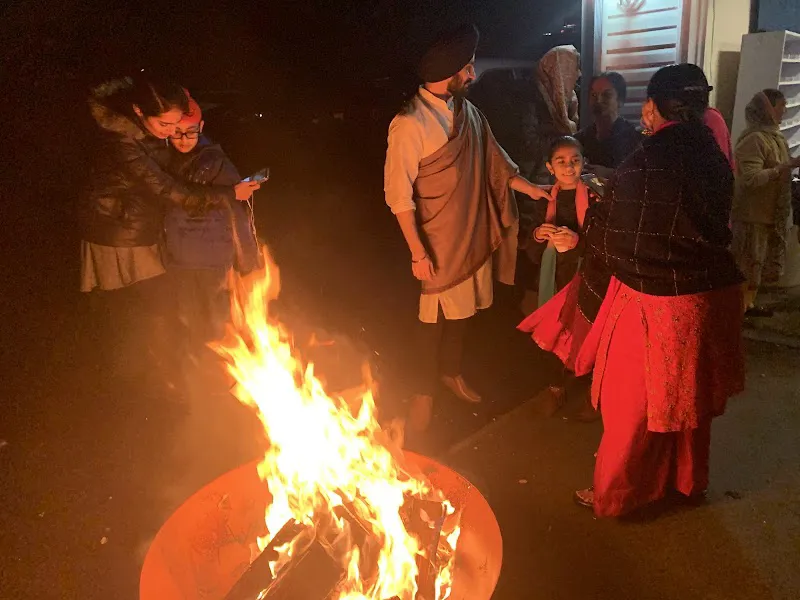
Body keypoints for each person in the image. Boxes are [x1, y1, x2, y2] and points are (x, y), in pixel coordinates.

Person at [568, 64, 746, 517]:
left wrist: (593, 222)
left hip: (652, 301)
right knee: (689, 399)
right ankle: (686, 482)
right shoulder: (712, 153)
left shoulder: (646, 161)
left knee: (630, 404)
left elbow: (619, 239)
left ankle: (617, 493)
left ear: (652, 106)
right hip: (705, 297)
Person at [383, 24, 551, 430]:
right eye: (468, 67)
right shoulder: (409, 123)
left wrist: (531, 189)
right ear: (449, 70)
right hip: (437, 241)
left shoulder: (469, 113)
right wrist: (417, 252)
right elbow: (398, 196)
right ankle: (422, 391)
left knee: (461, 313)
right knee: (432, 320)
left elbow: (497, 162)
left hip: (471, 232)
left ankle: (450, 373)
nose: (473, 74)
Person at [80, 74, 260, 388]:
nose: (172, 133)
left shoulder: (149, 133)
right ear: (139, 111)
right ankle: (142, 383)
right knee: (148, 311)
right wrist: (230, 193)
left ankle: (159, 379)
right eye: (166, 126)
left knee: (160, 311)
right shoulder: (123, 141)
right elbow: (168, 190)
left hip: (147, 234)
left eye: (178, 125)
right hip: (123, 235)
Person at [163, 93, 259, 363]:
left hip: (214, 260)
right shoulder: (163, 161)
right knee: (188, 319)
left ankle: (224, 370)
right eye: (177, 132)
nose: (183, 139)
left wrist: (247, 258)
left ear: (201, 128)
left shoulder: (216, 163)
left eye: (190, 132)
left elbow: (237, 211)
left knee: (219, 322)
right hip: (179, 260)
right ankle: (195, 368)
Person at [518, 136, 602, 421]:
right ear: (549, 167)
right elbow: (530, 245)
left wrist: (578, 242)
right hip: (555, 277)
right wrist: (538, 235)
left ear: (584, 163)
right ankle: (556, 387)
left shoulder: (595, 197)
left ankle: (593, 392)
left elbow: (606, 242)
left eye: (575, 160)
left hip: (587, 277)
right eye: (561, 161)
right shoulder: (545, 200)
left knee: (588, 332)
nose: (569, 167)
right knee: (555, 331)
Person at [731, 89, 800, 316]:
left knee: (757, 266)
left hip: (767, 214)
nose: (784, 111)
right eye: (781, 106)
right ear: (768, 110)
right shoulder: (754, 140)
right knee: (747, 265)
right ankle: (737, 310)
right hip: (752, 216)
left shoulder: (774, 137)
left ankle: (748, 305)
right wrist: (785, 167)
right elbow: (750, 179)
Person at [575, 72, 641, 179]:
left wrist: (610, 174)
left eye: (607, 95)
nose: (598, 100)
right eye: (594, 95)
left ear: (620, 101)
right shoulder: (580, 140)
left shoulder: (635, 140)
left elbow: (641, 177)